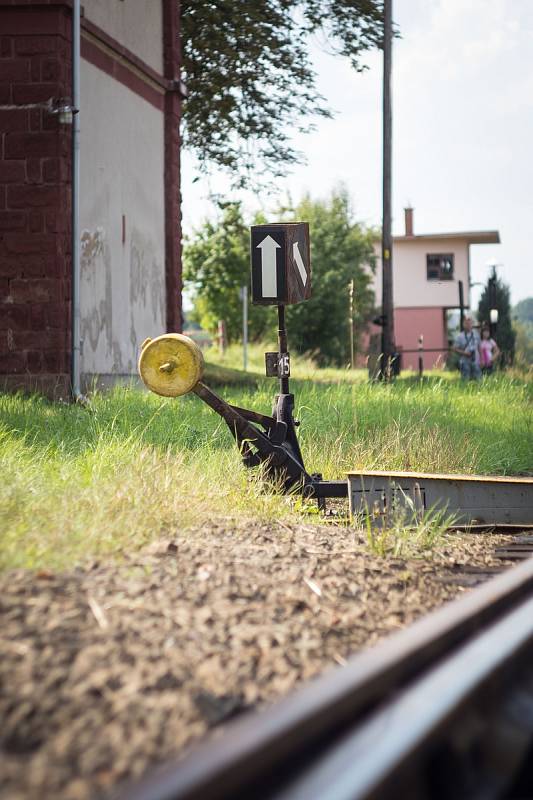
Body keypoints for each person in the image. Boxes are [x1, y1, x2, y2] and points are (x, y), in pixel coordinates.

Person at [454, 316, 481, 380]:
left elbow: (479, 347)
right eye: (466, 324)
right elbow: (454, 348)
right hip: (464, 361)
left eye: (470, 323)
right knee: (465, 380)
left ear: (472, 324)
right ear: (463, 325)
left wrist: (481, 359)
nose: (468, 325)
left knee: (478, 379)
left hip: (475, 360)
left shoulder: (476, 334)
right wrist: (464, 353)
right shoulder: (460, 336)